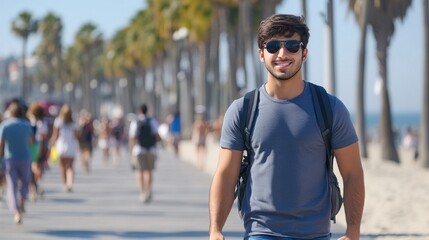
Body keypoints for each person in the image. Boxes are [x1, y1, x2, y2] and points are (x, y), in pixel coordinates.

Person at [209, 14, 365, 240]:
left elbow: (353, 173)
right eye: (273, 46)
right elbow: (225, 174)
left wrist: (353, 232)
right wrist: (215, 229)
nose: (282, 54)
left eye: (292, 46)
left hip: (316, 235)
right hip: (260, 233)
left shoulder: (330, 108)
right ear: (261, 54)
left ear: (304, 53)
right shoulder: (242, 110)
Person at [0, 102, 34, 224]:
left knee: (12, 185)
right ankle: (23, 201)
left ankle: (16, 212)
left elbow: (1, 144)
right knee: (25, 182)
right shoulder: (26, 125)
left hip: (10, 159)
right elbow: (31, 141)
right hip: (25, 157)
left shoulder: (5, 125)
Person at [128, 104, 160, 203]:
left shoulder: (135, 122)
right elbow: (157, 136)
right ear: (147, 111)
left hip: (138, 150)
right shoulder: (152, 121)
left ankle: (142, 192)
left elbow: (132, 138)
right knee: (149, 171)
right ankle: (148, 190)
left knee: (139, 171)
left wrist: (131, 150)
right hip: (150, 149)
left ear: (139, 111)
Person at [50, 104, 78, 192]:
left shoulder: (58, 121)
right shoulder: (73, 123)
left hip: (61, 146)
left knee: (62, 166)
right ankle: (70, 183)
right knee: (70, 166)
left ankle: (65, 183)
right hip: (71, 146)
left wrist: (52, 143)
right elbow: (75, 136)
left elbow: (55, 135)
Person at [26, 102, 49, 200]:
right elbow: (44, 138)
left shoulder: (28, 122)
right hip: (39, 146)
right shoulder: (43, 123)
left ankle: (33, 191)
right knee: (37, 167)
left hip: (29, 147)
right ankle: (39, 185)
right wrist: (44, 150)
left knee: (31, 170)